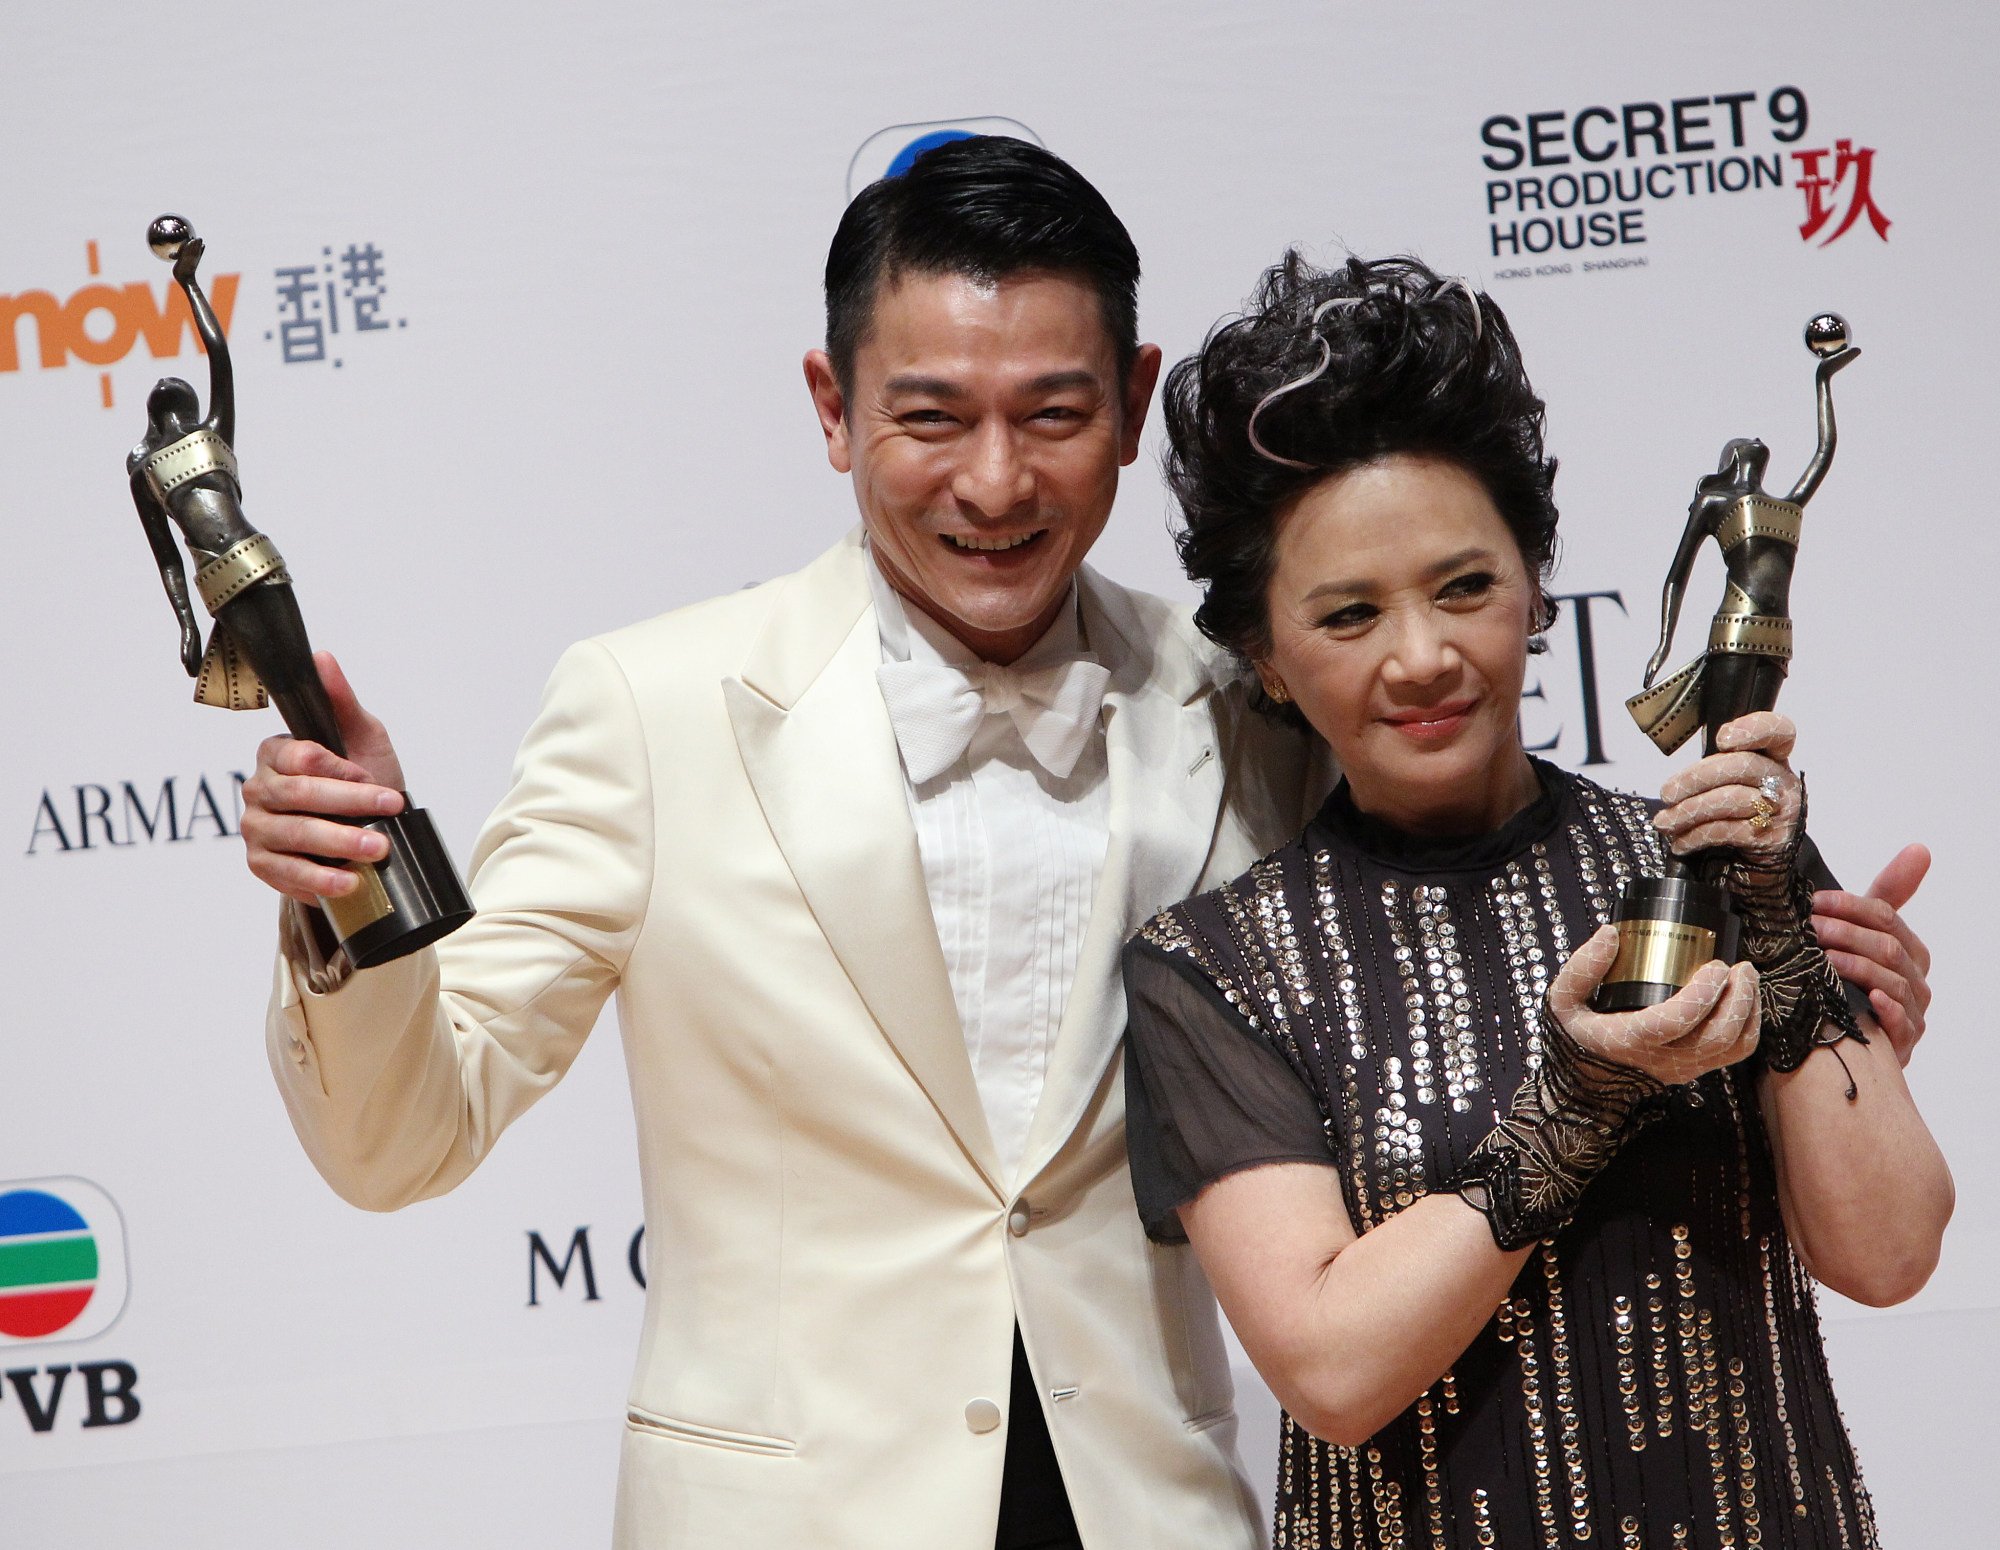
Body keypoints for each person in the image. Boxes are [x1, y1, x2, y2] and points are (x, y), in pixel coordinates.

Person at [243, 136, 1315, 1550]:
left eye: (1051, 414)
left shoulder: (1254, 699)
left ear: (1130, 401)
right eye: (930, 418)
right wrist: (359, 892)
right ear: (832, 403)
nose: (994, 486)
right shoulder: (651, 708)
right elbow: (403, 1134)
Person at [1120, 252, 1951, 1549]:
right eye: (1349, 614)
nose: (1423, 655)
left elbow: (1892, 1248)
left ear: (1536, 585)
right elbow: (1334, 1369)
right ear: (1267, 660)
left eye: (1464, 585)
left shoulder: (1709, 850)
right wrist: (1576, 1100)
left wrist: (1782, 920)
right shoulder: (1223, 966)